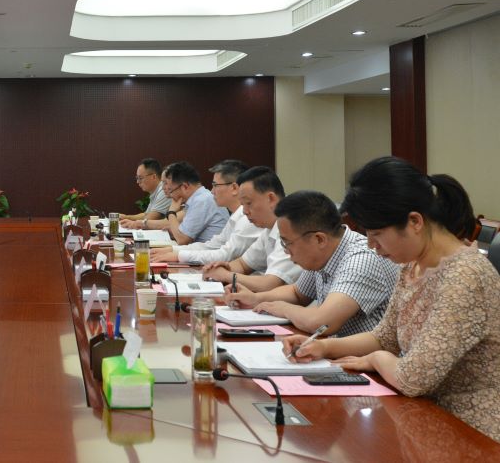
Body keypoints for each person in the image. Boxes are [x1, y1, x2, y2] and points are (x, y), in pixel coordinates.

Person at [283, 157, 500, 442]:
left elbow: (412, 377)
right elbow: (385, 337)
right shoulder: (412, 265)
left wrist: (376, 359)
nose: (372, 246)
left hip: (470, 429)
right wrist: (323, 347)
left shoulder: (465, 276)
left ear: (415, 221)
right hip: (421, 414)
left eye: (377, 234)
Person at [224, 190, 398, 336]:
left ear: (319, 239)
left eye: (287, 242)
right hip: (342, 354)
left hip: (368, 362)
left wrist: (283, 308)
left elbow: (321, 323)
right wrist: (255, 299)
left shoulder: (360, 260)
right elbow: (297, 293)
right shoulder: (323, 254)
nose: (286, 251)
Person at [202, 166, 301, 291]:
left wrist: (227, 275)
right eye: (242, 205)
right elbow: (243, 264)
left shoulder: (292, 227)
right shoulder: (269, 228)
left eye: (248, 203)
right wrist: (223, 268)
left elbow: (270, 283)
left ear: (271, 198)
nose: (244, 211)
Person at [152, 159, 263, 264]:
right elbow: (212, 245)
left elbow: (226, 255)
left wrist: (178, 255)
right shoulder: (235, 216)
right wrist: (173, 250)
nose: (212, 191)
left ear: (234, 188)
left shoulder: (247, 219)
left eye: (215, 185)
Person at [124, 161, 227, 244]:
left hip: (208, 258)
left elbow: (182, 239)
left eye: (167, 184)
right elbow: (183, 234)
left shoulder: (202, 200)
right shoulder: (197, 199)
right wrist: (173, 230)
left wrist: (171, 212)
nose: (164, 188)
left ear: (184, 186)